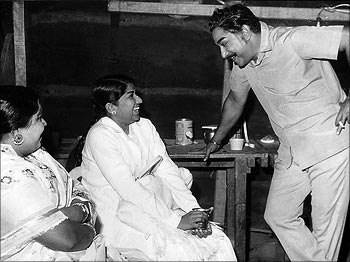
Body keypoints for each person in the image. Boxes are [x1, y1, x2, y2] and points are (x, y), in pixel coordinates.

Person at [205, 3, 349, 262]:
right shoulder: (244, 64)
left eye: (225, 43)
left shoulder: (293, 40)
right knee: (278, 215)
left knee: (325, 232)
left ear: (246, 33)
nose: (223, 53)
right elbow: (236, 101)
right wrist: (217, 139)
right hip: (293, 151)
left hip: (330, 145)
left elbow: (349, 38)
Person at [71, 74, 237, 261]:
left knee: (218, 240)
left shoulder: (144, 127)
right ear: (111, 108)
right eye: (131, 96)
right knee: (180, 251)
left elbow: (168, 172)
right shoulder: (100, 136)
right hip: (117, 219)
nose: (139, 100)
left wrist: (195, 212)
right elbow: (128, 190)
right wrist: (176, 221)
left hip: (152, 207)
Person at [0, 85, 137, 261]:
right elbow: (68, 240)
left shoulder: (37, 154)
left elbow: (78, 190)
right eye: (39, 118)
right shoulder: (7, 174)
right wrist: (89, 228)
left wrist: (73, 213)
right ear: (16, 134)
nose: (45, 123)